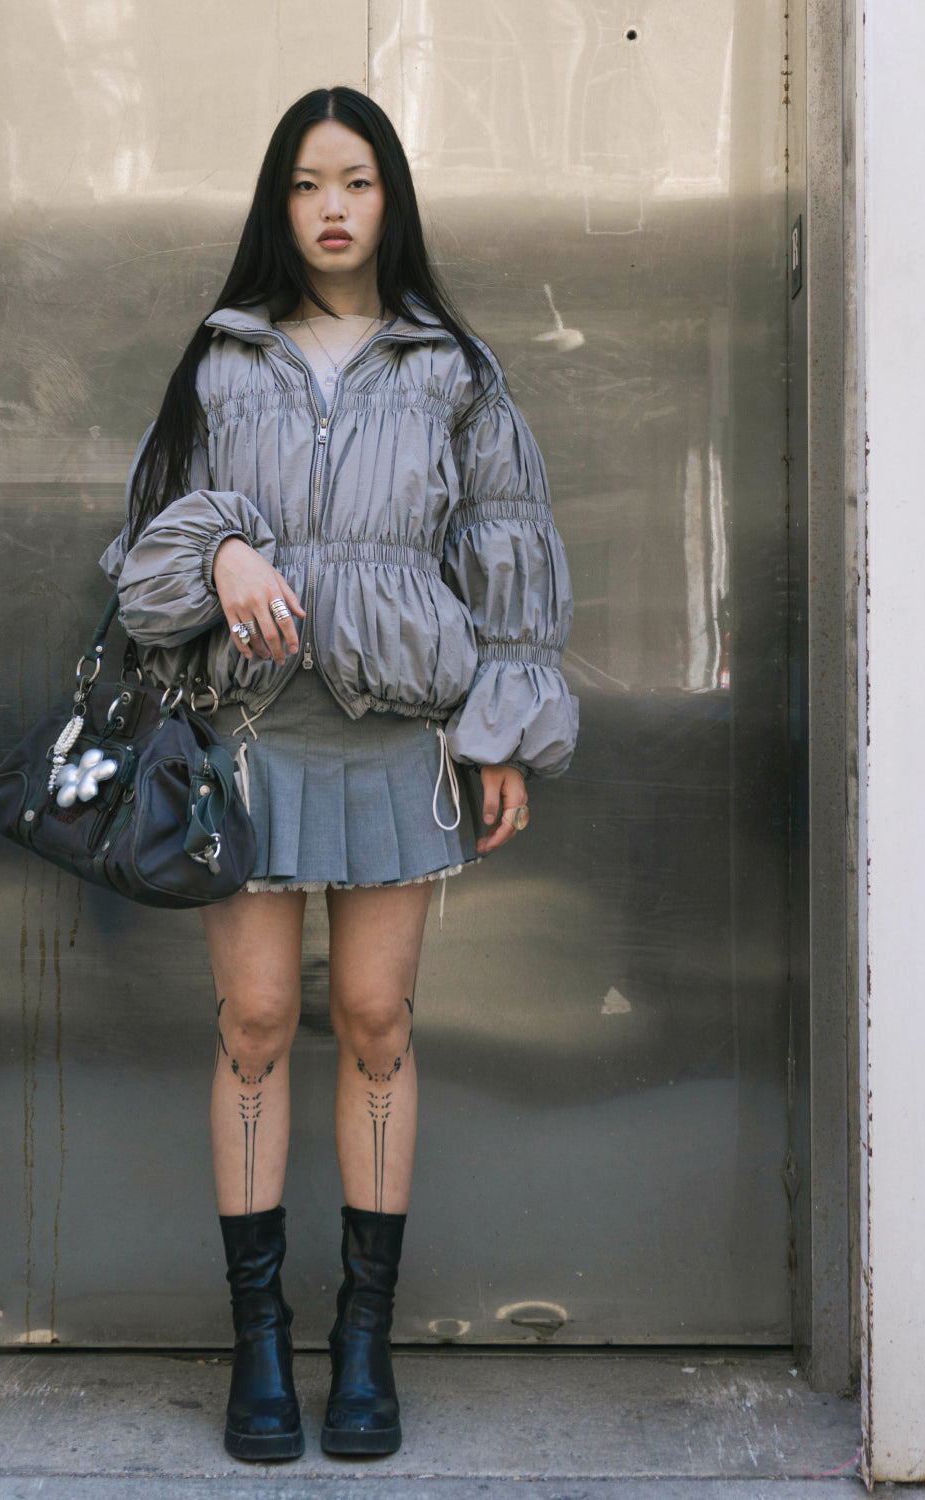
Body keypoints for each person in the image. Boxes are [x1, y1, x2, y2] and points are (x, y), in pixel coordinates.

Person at [99, 85, 578, 1463]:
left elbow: (513, 556)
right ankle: (260, 1346)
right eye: (308, 182)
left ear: (390, 199)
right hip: (245, 742)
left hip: (392, 739)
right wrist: (222, 553)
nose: (332, 208)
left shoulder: (451, 367)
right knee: (254, 1021)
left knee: (375, 1018)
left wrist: (504, 732)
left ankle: (362, 1343)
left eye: (357, 181)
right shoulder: (222, 358)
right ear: (278, 198)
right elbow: (139, 560)